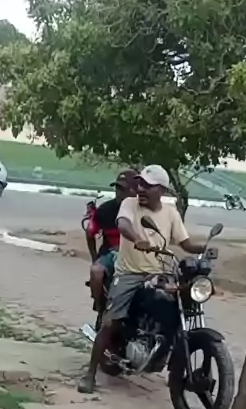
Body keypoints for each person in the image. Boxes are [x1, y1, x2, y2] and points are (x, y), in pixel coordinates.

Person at [78, 164, 207, 394]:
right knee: (111, 322)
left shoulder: (171, 213)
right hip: (129, 273)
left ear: (162, 190)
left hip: (159, 272)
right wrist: (137, 239)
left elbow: (185, 243)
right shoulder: (130, 204)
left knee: (179, 305)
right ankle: (90, 374)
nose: (141, 189)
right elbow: (123, 224)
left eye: (147, 186)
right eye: (140, 184)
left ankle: (165, 353)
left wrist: (205, 248)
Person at [85, 169, 138, 313]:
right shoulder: (105, 210)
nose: (119, 192)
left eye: (123, 189)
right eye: (117, 188)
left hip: (137, 254)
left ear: (135, 190)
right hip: (110, 252)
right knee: (96, 271)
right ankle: (100, 308)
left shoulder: (143, 210)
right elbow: (90, 233)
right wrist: (95, 258)